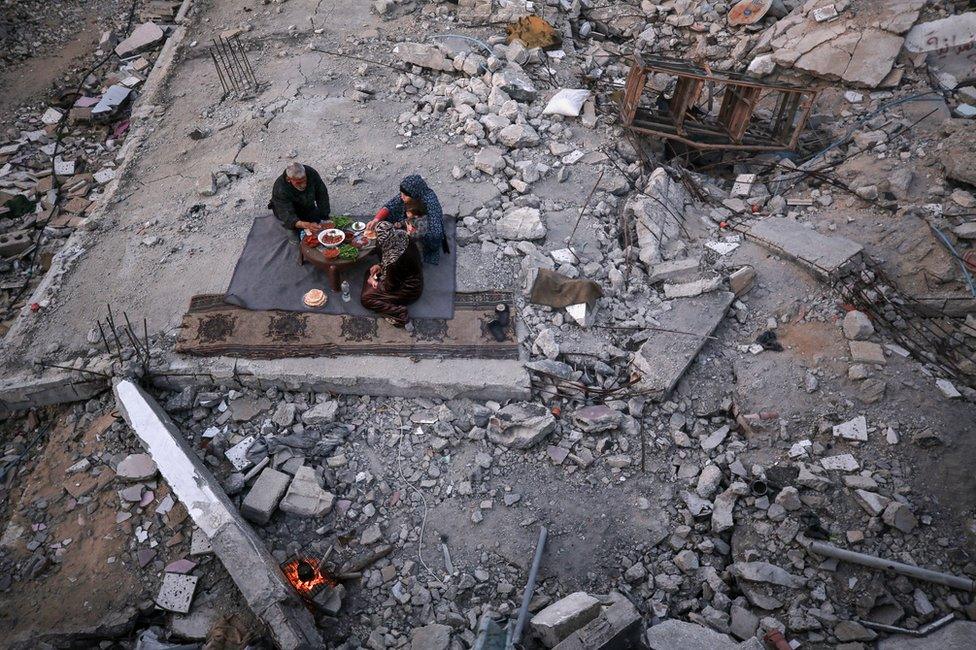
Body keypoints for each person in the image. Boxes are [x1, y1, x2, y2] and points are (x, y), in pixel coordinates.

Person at [368, 174, 445, 265]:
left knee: (402, 250)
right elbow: (390, 205)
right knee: (388, 216)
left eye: (405, 195)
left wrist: (413, 233)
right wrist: (376, 219)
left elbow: (435, 234)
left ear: (415, 196)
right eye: (401, 193)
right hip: (410, 221)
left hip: (422, 232)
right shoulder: (410, 192)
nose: (401, 196)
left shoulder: (431, 204)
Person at [360, 221, 423, 328]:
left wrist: (374, 281)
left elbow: (390, 287)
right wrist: (380, 266)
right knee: (370, 272)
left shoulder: (393, 262)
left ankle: (399, 313)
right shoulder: (403, 236)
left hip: (408, 290)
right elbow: (393, 260)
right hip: (411, 276)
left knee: (366, 298)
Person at [268, 162, 331, 233]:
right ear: (289, 179)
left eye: (305, 181)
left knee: (317, 224)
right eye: (298, 183)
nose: (303, 185)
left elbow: (322, 194)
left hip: (306, 206)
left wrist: (325, 216)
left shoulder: (311, 173)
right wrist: (304, 224)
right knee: (293, 233)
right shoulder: (280, 188)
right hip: (287, 210)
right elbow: (286, 214)